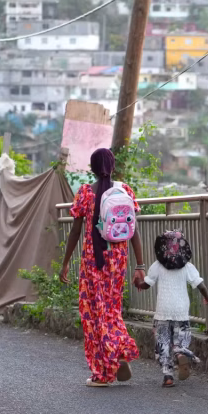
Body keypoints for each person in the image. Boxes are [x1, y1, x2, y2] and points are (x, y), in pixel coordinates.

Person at [60, 148, 145, 387]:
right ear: (114, 166)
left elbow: (76, 231)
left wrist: (66, 263)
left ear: (92, 168)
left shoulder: (86, 193)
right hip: (118, 259)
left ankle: (103, 372)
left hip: (92, 261)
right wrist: (140, 265)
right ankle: (119, 351)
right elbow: (133, 230)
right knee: (111, 309)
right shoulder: (124, 190)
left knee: (93, 314)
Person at [134, 229, 208, 388]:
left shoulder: (157, 266)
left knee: (163, 342)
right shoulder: (187, 266)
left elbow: (147, 284)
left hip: (163, 310)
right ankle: (180, 352)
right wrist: (206, 296)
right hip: (181, 310)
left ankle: (167, 376)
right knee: (179, 339)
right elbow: (199, 284)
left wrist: (138, 284)